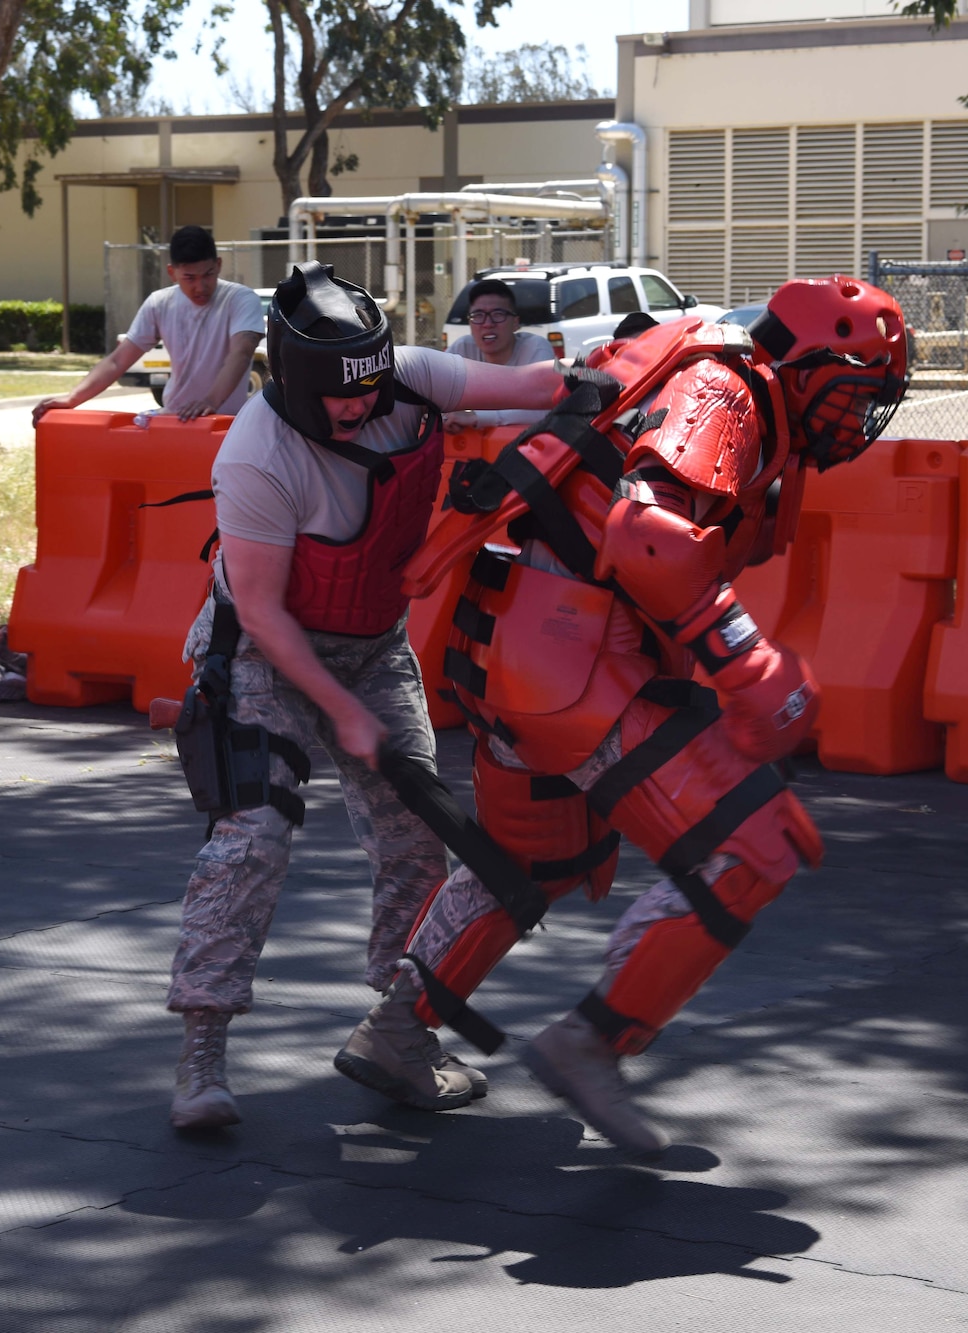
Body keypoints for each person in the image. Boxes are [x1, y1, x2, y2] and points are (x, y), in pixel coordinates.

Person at [336, 275, 910, 1158]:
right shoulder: (729, 388)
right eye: (859, 392)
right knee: (756, 843)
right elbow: (648, 534)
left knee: (537, 857)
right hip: (570, 654)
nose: (860, 421)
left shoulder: (717, 373)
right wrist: (746, 660)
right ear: (812, 364)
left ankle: (396, 1029)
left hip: (512, 644)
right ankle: (592, 1042)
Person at [166, 262, 566, 1131]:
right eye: (342, 400)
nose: (363, 409)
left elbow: (535, 384)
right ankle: (202, 1049)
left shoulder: (404, 379)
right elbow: (266, 613)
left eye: (372, 390)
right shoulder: (256, 456)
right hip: (266, 655)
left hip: (372, 646)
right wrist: (338, 710)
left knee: (418, 838)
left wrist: (614, 375)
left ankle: (401, 1030)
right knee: (254, 836)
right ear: (299, 385)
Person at [32, 225, 264, 425]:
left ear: (219, 265)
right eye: (189, 278)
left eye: (208, 275)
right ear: (172, 273)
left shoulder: (241, 299)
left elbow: (241, 353)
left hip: (226, 425)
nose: (200, 287)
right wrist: (72, 399)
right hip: (174, 420)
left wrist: (210, 402)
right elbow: (117, 361)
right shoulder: (160, 303)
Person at [445, 278, 555, 429]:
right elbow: (431, 397)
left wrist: (476, 417)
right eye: (478, 315)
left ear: (515, 323)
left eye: (498, 314)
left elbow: (546, 408)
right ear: (470, 324)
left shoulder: (535, 348)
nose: (488, 324)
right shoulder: (462, 349)